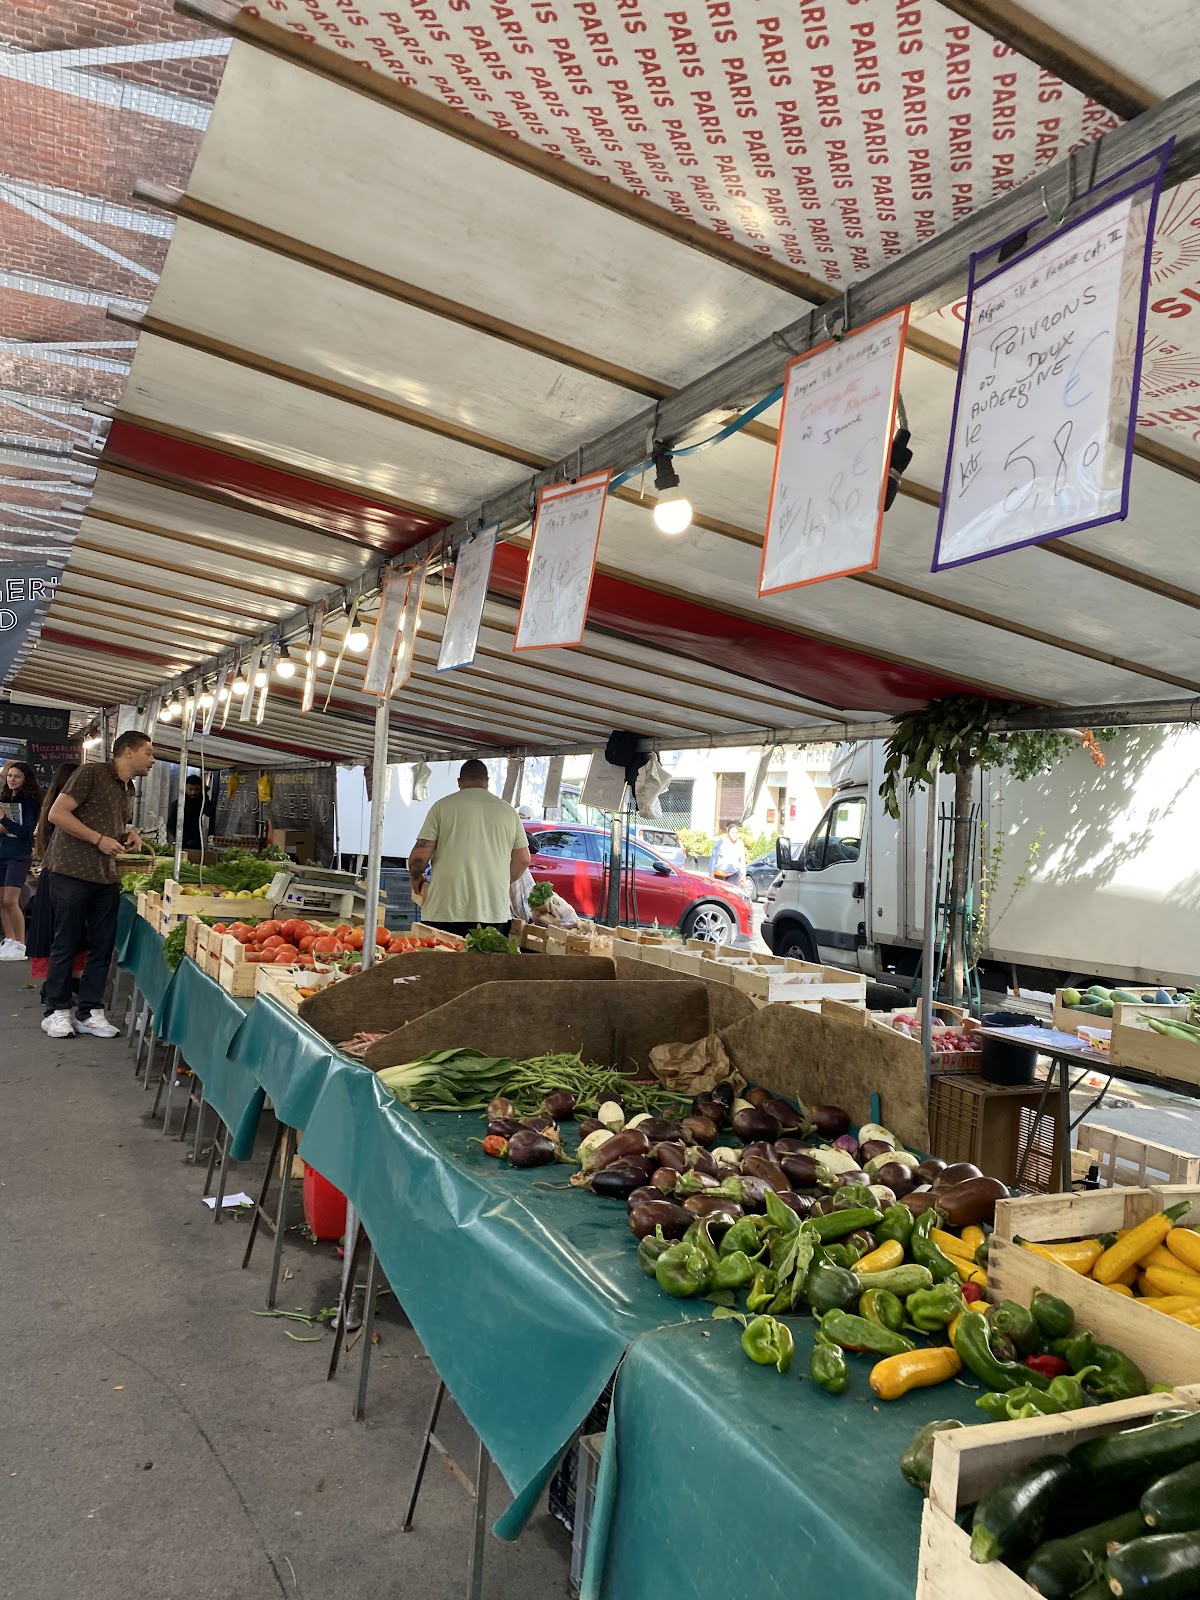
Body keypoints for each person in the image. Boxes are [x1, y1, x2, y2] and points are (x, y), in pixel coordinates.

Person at [40, 731, 154, 1039]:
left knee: (102, 946)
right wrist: (98, 839)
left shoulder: (128, 788)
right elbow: (57, 814)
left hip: (106, 875)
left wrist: (128, 834)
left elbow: (108, 825)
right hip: (72, 871)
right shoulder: (91, 773)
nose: (153, 760)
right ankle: (56, 1011)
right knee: (67, 941)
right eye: (148, 752)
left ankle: (90, 1011)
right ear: (127, 752)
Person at [407, 759, 530, 938]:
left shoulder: (442, 807)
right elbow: (524, 859)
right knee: (484, 966)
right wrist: (500, 882)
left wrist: (416, 878)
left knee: (442, 963)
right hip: (492, 911)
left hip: (445, 910)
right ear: (487, 781)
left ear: (459, 782)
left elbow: (419, 857)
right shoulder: (508, 812)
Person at [26, 760, 82, 998]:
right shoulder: (66, 812)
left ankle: (56, 986)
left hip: (52, 876)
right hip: (67, 877)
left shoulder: (51, 806)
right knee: (68, 935)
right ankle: (63, 989)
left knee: (57, 934)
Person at [0, 760, 42, 959]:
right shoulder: (6, 797)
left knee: (10, 900)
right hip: (2, 852)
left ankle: (21, 943)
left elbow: (26, 832)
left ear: (26, 779)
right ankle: (10, 939)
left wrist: (4, 820)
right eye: (9, 775)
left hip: (18, 855)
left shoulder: (29, 802)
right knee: (1, 900)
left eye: (17, 776)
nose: (12, 779)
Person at [167, 773, 215, 852]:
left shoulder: (201, 801)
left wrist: (205, 795)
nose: (193, 792)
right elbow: (171, 824)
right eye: (190, 789)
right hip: (182, 840)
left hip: (197, 839)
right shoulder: (179, 803)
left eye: (196, 790)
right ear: (186, 788)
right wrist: (181, 838)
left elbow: (209, 813)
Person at [709, 821, 749, 892]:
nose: (734, 835)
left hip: (733, 873)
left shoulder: (740, 844)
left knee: (732, 893)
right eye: (732, 833)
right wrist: (711, 872)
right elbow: (713, 858)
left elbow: (742, 860)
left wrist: (743, 875)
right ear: (728, 833)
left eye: (736, 833)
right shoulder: (720, 843)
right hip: (720, 873)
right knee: (719, 893)